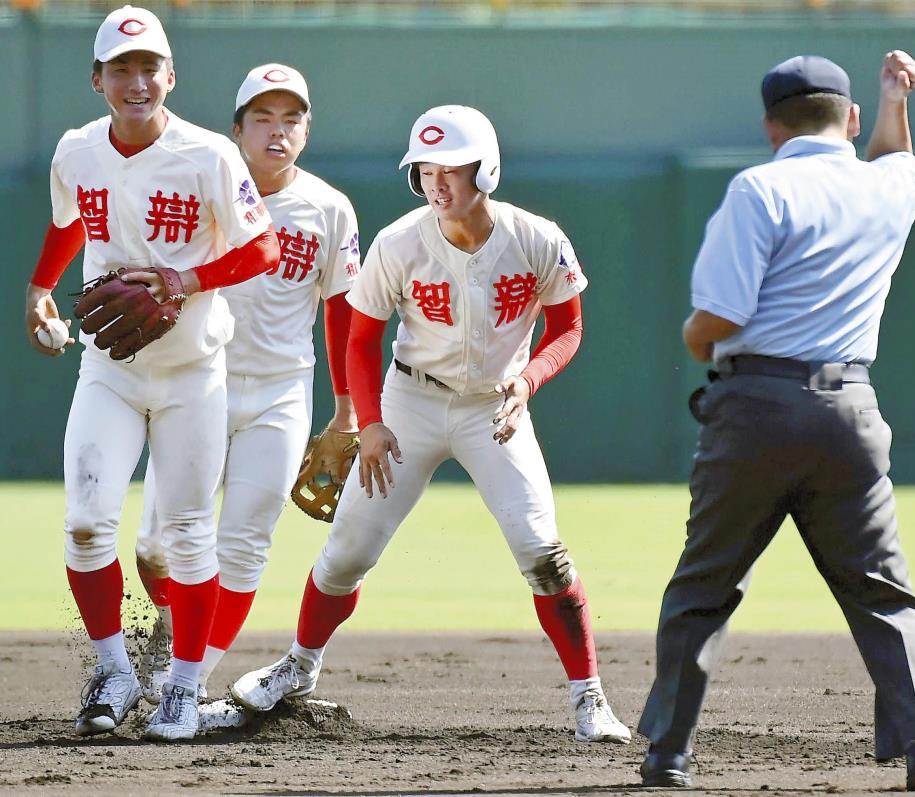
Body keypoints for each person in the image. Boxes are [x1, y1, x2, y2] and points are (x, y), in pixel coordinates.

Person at [637, 52, 915, 791]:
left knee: (704, 584)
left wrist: (695, 337)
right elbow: (896, 158)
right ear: (850, 118)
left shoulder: (759, 188)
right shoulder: (887, 186)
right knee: (884, 590)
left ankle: (668, 752)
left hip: (755, 409)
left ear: (771, 125)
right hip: (848, 410)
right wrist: (895, 97)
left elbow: (720, 317)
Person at [230, 104, 631, 745]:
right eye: (425, 170)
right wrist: (369, 422)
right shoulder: (399, 242)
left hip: (494, 410)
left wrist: (529, 380)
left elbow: (568, 328)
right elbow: (362, 340)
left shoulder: (537, 238)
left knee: (542, 553)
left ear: (485, 169)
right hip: (410, 403)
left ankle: (590, 698)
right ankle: (299, 667)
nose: (437, 184)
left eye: (451, 169)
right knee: (346, 553)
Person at [24, 5, 280, 741]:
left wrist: (182, 279)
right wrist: (40, 288)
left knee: (189, 537)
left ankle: (184, 686)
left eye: (148, 68)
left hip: (193, 372)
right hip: (110, 367)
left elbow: (262, 249)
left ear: (171, 76)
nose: (136, 82)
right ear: (96, 79)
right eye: (121, 69)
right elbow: (72, 219)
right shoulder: (76, 150)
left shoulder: (208, 155)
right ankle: (114, 670)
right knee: (84, 524)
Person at [131, 63, 359, 720]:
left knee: (244, 542)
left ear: (307, 132)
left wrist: (346, 409)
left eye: (291, 119)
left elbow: (343, 311)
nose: (277, 131)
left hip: (280, 393)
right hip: (195, 382)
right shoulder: (202, 189)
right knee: (156, 546)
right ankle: (172, 626)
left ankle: (185, 681)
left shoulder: (329, 208)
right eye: (263, 118)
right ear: (237, 130)